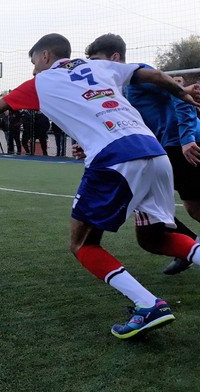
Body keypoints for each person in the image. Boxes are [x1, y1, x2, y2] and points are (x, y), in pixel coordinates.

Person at [0, 32, 200, 339]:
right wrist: (184, 95)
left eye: (34, 61)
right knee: (153, 240)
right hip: (154, 153)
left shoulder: (41, 83)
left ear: (46, 56)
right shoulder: (102, 67)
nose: (33, 69)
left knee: (83, 244)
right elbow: (155, 75)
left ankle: (147, 304)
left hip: (114, 159)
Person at [85, 33, 200, 275]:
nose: (94, 66)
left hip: (180, 145)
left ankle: (188, 248)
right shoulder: (115, 86)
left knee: (192, 207)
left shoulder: (139, 76)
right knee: (149, 204)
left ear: (115, 57)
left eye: (97, 59)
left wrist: (188, 139)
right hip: (158, 149)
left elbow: (182, 97)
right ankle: (188, 247)